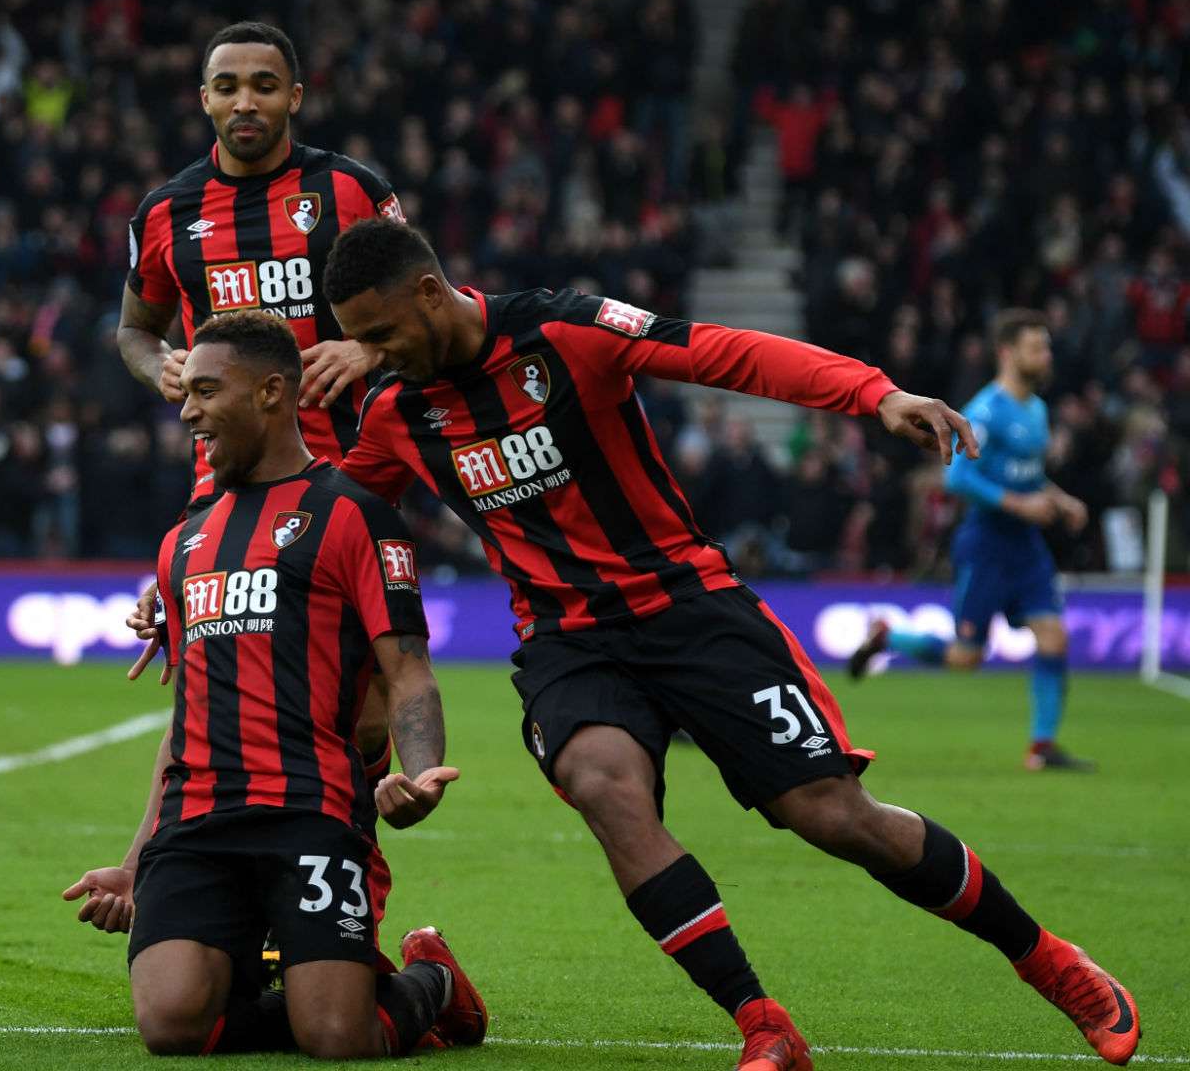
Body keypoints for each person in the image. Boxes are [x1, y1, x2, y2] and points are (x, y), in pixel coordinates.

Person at [317, 218, 1140, 1069]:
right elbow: (330, 523)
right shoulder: (393, 415)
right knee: (604, 785)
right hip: (569, 639)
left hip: (690, 608)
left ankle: (1048, 961)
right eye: (357, 341)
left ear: (427, 292)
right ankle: (762, 1024)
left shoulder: (565, 332)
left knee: (831, 816)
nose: (371, 355)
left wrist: (873, 393)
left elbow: (727, 352)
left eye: (379, 334)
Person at [63, 311, 485, 1058]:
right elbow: (187, 716)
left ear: (271, 392)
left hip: (310, 813)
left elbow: (408, 669)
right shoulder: (183, 540)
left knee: (336, 1036)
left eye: (204, 391)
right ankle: (280, 972)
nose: (186, 410)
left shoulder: (355, 515)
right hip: (198, 823)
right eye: (184, 392)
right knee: (170, 1026)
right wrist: (132, 865)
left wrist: (420, 775)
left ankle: (431, 980)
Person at [116, 15, 411, 915]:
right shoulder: (168, 212)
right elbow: (134, 326)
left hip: (354, 478)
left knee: (359, 716)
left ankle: (343, 907)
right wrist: (157, 363)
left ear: (296, 96)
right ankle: (244, 911)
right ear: (203, 98)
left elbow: (425, 307)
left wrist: (369, 352)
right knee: (229, 705)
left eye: (264, 84)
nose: (246, 101)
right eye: (227, 85)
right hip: (231, 495)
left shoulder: (351, 191)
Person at [848, 310, 1094, 771]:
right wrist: (1020, 506)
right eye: (1036, 347)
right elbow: (959, 478)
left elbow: (1030, 476)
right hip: (986, 546)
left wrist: (1061, 500)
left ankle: (1041, 748)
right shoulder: (985, 411)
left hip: (1026, 547)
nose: (1046, 355)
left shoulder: (1036, 410)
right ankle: (889, 636)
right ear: (1008, 352)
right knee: (965, 658)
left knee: (1053, 636)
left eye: (1047, 346)